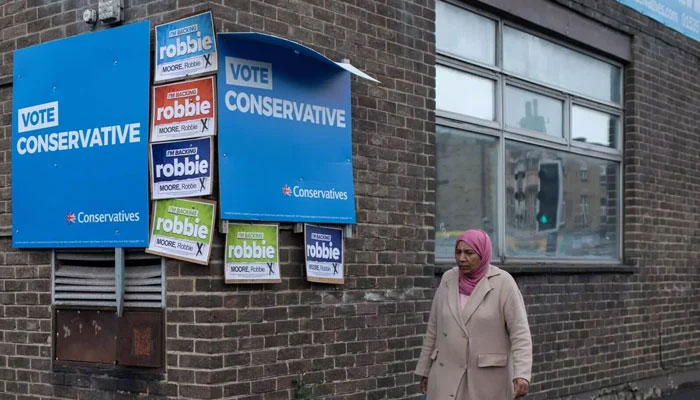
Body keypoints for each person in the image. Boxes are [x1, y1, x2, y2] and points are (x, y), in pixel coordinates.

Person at [415, 229, 532, 399]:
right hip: (445, 375)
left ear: (483, 254)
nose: (462, 258)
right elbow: (433, 329)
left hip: (487, 380)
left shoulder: (503, 283)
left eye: (469, 253)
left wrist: (522, 374)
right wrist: (425, 370)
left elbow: (520, 333)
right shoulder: (448, 279)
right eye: (458, 252)